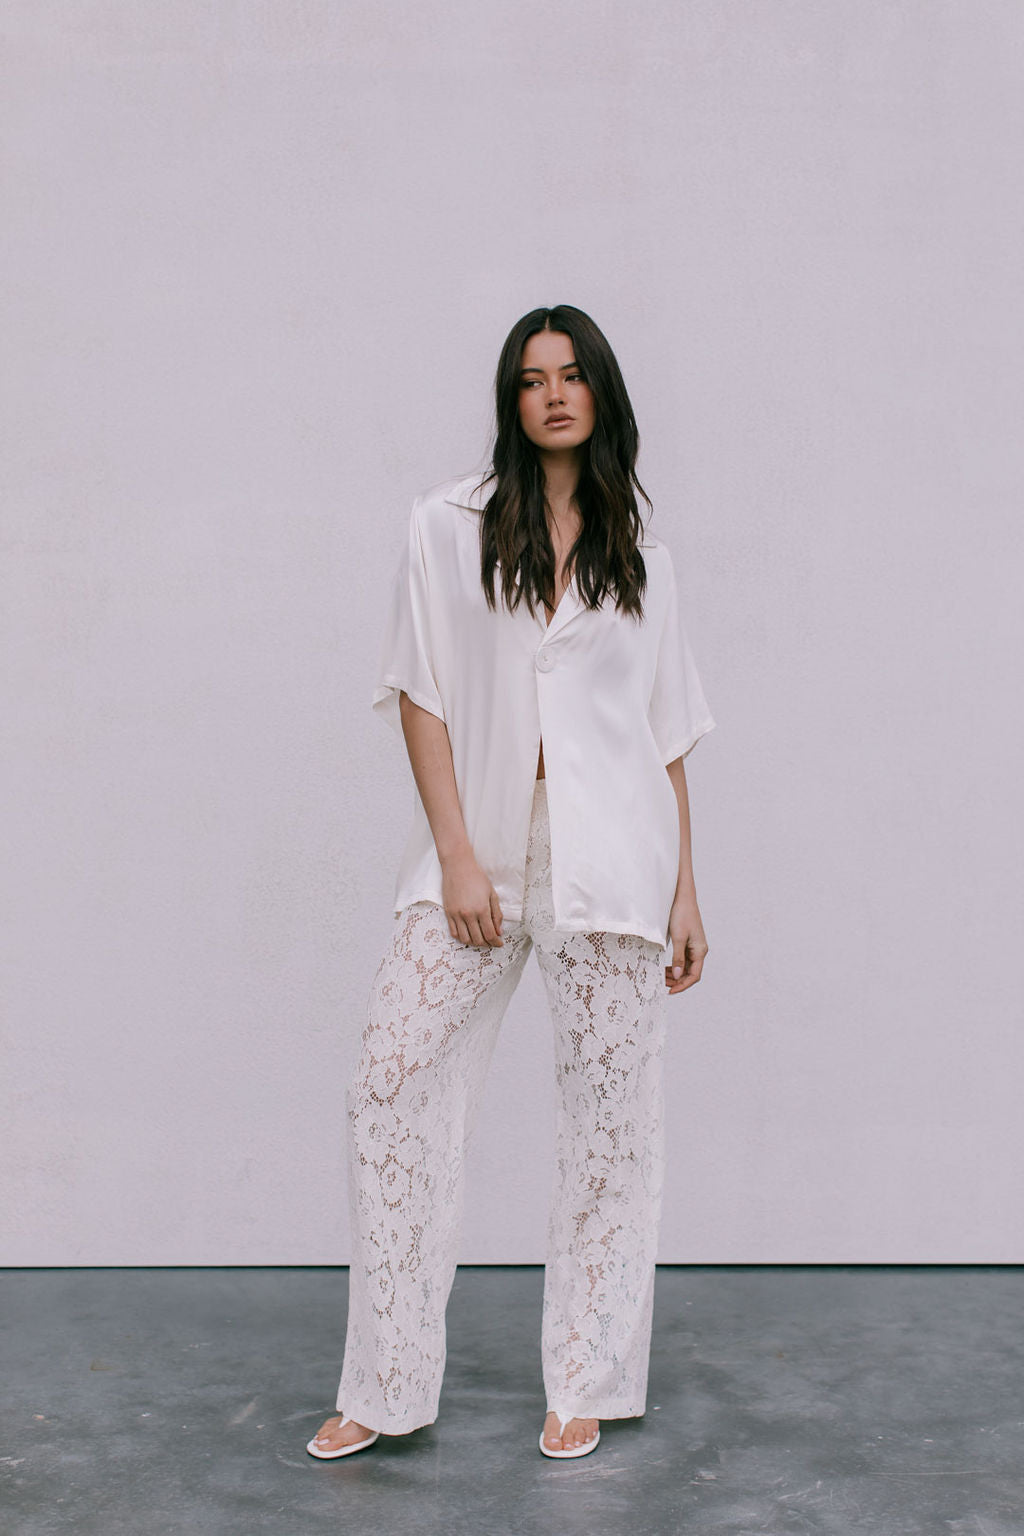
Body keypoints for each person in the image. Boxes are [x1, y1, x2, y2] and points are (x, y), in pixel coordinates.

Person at [308, 304, 716, 1462]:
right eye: (532, 377)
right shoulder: (447, 527)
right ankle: (384, 1385)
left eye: (572, 374)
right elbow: (422, 692)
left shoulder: (647, 562)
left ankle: (583, 1376)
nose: (552, 393)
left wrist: (686, 890)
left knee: (609, 1128)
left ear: (600, 394)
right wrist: (455, 855)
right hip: (483, 848)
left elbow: (666, 736)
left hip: (617, 867)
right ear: (511, 397)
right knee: (390, 1084)